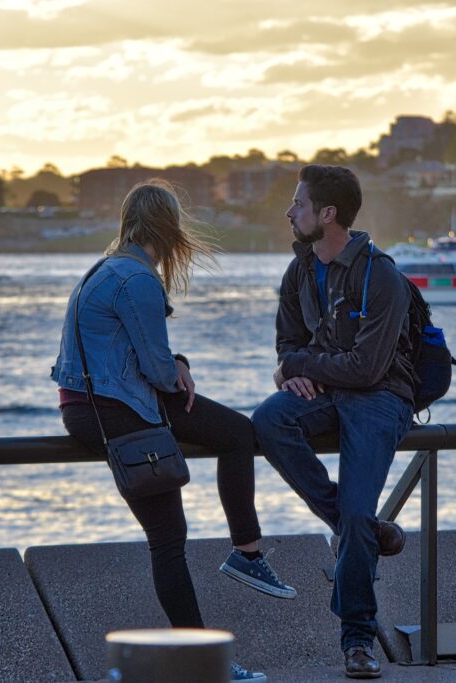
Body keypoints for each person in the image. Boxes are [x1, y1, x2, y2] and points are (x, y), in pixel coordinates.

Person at [51, 179, 294, 683]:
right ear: (169, 227)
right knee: (170, 535)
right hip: (119, 408)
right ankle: (212, 651)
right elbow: (159, 372)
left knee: (232, 436)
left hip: (92, 404)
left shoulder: (102, 269)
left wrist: (174, 362)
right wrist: (176, 367)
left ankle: (243, 560)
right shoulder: (137, 279)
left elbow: (140, 353)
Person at [251, 165, 414, 679]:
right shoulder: (299, 270)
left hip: (380, 397)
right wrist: (292, 369)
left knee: (359, 510)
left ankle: (358, 640)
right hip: (326, 392)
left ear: (327, 215)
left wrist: (297, 366)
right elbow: (288, 342)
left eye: (297, 204)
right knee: (269, 419)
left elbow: (367, 369)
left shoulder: (381, 275)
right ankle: (354, 526)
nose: (289, 212)